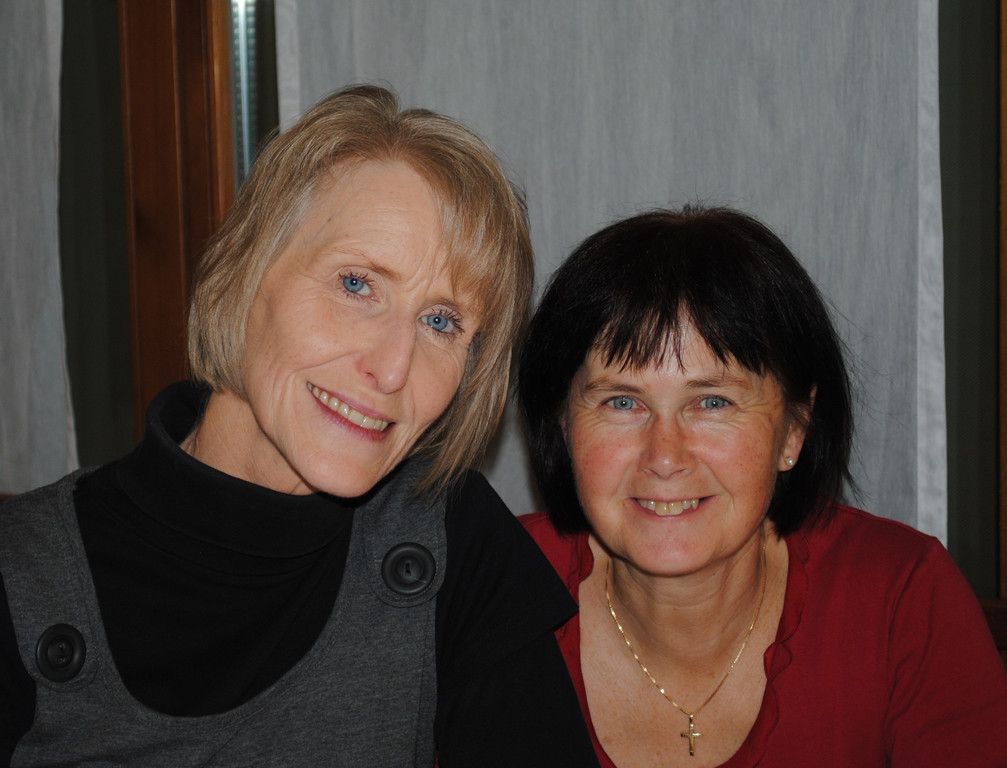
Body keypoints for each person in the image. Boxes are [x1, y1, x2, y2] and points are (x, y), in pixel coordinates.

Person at [0, 85, 595, 767]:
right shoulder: (22, 572)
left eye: (440, 321)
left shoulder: (454, 540)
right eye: (356, 284)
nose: (392, 368)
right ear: (245, 273)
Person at [518, 207, 1007, 767]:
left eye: (713, 402)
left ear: (794, 429)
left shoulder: (901, 598)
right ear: (563, 425)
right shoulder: (487, 587)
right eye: (622, 402)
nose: (665, 457)